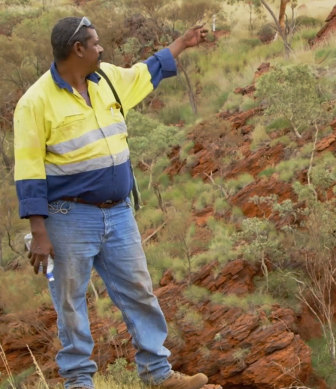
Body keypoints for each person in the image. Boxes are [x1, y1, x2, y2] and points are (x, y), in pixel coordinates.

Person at [13, 16, 210, 389]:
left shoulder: (106, 81)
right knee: (71, 303)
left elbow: (145, 73)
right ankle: (79, 382)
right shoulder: (35, 103)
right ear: (78, 49)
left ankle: (158, 374)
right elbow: (28, 170)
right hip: (68, 217)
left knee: (139, 291)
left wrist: (183, 42)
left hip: (119, 213)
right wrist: (39, 232)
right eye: (96, 43)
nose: (102, 49)